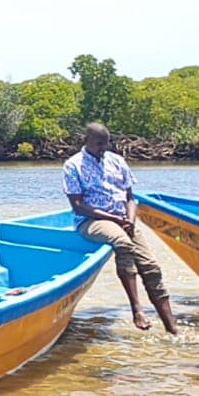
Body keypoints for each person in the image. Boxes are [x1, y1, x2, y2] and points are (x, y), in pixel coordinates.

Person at [64, 122, 177, 334]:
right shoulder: (73, 165)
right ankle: (137, 310)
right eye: (99, 144)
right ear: (86, 141)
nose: (103, 149)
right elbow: (77, 205)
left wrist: (130, 219)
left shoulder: (117, 161)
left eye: (106, 144)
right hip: (92, 221)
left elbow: (130, 197)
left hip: (123, 220)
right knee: (122, 243)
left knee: (151, 266)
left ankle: (172, 329)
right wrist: (113, 218)